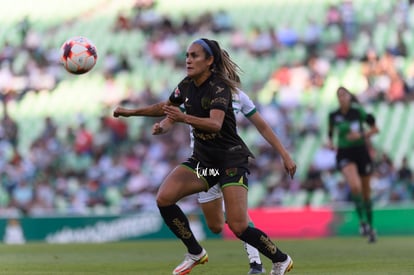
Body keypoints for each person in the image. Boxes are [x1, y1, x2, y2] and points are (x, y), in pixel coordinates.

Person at [114, 38, 295, 275]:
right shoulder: (186, 85)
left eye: (195, 55)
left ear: (210, 61)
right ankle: (195, 252)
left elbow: (215, 124)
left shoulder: (220, 88)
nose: (188, 60)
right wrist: (132, 112)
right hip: (204, 162)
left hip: (230, 161)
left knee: (239, 226)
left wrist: (182, 118)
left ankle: (280, 259)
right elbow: (166, 107)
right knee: (165, 198)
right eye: (187, 55)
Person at [327, 86, 379, 243]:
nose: (342, 98)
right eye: (339, 95)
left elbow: (375, 129)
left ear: (349, 97)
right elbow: (330, 133)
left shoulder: (358, 112)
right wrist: (330, 143)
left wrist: (361, 134)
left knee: (366, 193)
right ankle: (362, 222)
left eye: (344, 95)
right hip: (345, 153)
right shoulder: (333, 115)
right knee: (354, 186)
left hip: (361, 152)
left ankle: (370, 226)